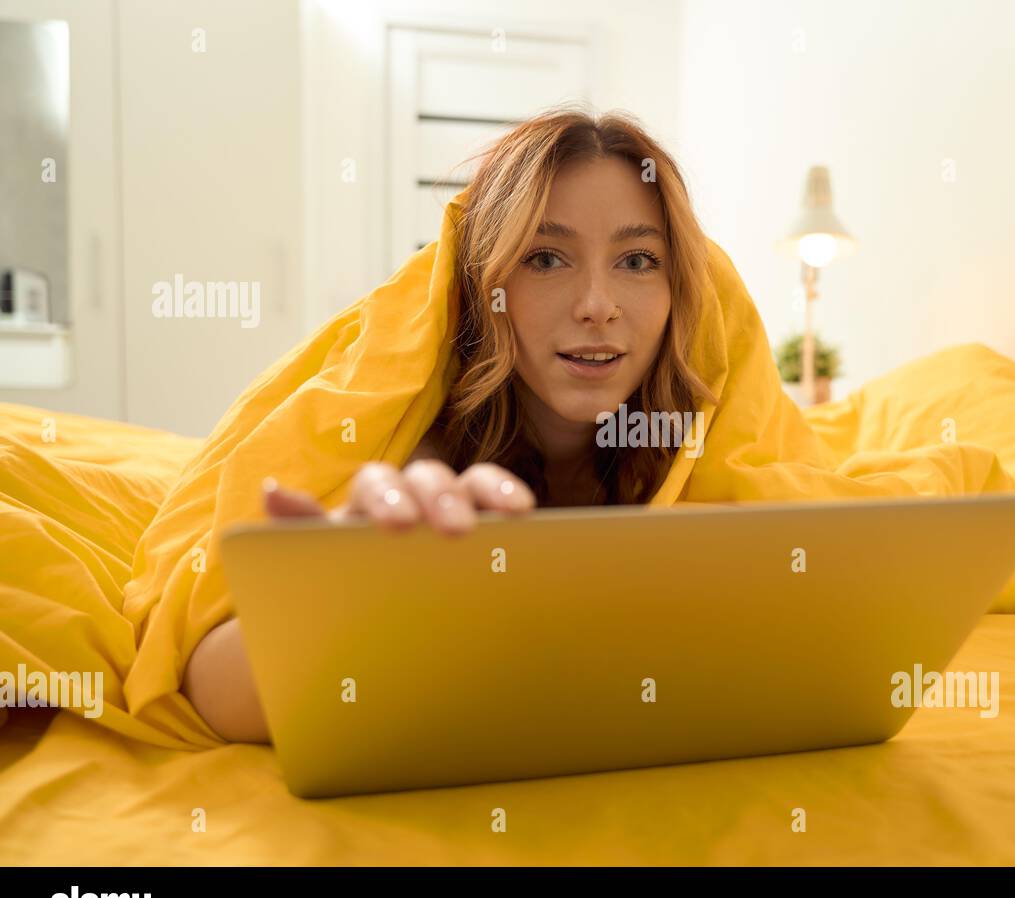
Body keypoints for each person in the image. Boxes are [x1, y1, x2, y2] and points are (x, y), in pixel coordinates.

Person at [182, 108, 718, 743]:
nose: (597, 306)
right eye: (546, 258)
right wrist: (335, 603)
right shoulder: (424, 463)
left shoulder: (705, 445)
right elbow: (207, 688)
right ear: (484, 284)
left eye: (637, 261)